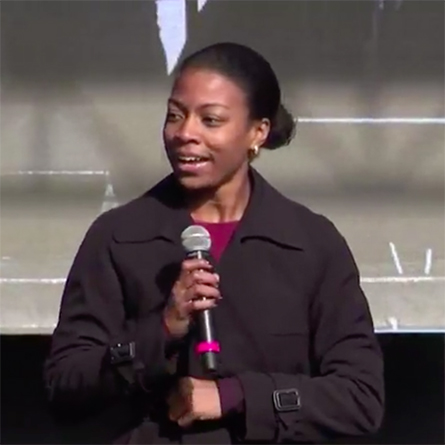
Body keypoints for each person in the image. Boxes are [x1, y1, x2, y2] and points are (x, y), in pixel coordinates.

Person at [44, 42, 384, 444]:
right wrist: (161, 332)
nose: (185, 133)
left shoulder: (310, 243)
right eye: (175, 115)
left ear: (257, 132)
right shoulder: (119, 236)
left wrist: (234, 396)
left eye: (211, 120)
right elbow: (64, 386)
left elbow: (360, 399)